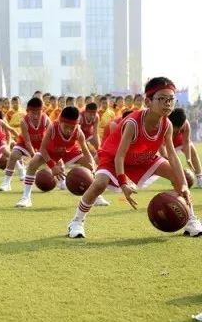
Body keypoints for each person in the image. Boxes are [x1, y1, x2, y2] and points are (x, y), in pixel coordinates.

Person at [65, 77, 202, 238]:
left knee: (177, 176)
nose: (167, 103)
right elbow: (120, 156)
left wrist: (184, 184)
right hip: (113, 157)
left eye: (171, 99)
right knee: (99, 184)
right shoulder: (133, 123)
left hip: (144, 157)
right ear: (148, 102)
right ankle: (76, 221)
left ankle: (191, 219)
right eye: (162, 99)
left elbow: (172, 156)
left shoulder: (167, 124)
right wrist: (123, 182)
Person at [15, 106, 107, 208]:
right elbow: (42, 149)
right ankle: (26, 197)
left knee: (88, 163)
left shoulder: (78, 132)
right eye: (66, 127)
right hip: (51, 152)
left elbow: (86, 151)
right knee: (34, 162)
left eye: (72, 127)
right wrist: (52, 166)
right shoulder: (52, 128)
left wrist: (92, 165)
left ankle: (96, 196)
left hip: (68, 151)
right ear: (60, 122)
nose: (69, 130)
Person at [0, 97, 50, 191]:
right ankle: (6, 182)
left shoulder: (46, 119)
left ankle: (61, 182)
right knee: (13, 154)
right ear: (27, 111)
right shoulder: (24, 122)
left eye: (38, 112)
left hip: (42, 143)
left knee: (55, 157)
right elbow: (27, 141)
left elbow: (52, 136)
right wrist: (33, 155)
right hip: (25, 143)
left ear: (42, 111)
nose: (36, 116)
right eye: (33, 113)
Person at [163, 108, 202, 188]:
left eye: (179, 128)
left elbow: (186, 141)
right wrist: (165, 157)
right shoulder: (162, 123)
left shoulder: (186, 124)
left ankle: (200, 178)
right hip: (163, 139)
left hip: (177, 139)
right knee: (156, 159)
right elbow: (160, 146)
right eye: (175, 128)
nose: (177, 130)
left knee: (191, 149)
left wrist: (188, 158)